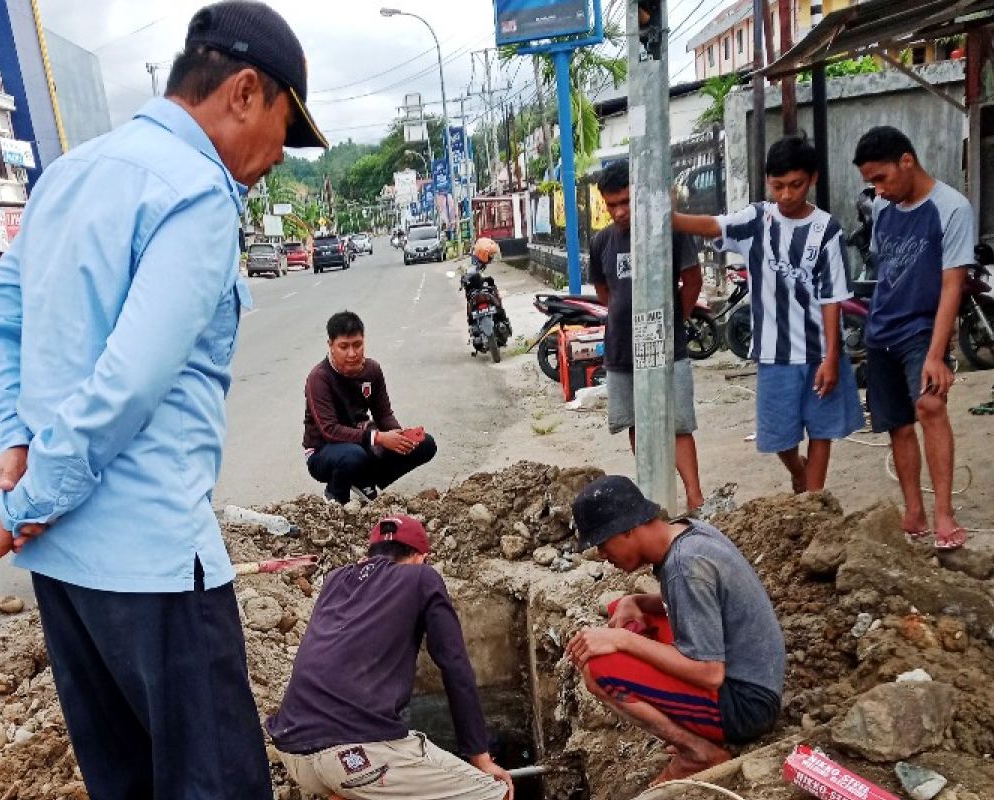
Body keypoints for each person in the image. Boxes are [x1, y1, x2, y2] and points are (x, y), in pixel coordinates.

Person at [0, 3, 328, 798]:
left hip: (68, 574)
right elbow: (126, 386)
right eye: (287, 130)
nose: (280, 157)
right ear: (245, 92)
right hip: (153, 571)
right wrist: (22, 504)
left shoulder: (72, 175)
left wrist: (12, 447)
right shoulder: (197, 195)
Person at [267, 515, 513, 800]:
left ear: (367, 556)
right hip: (355, 756)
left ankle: (350, 793)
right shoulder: (422, 577)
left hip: (294, 753)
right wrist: (480, 756)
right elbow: (455, 666)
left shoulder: (335, 580)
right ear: (421, 558)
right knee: (495, 794)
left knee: (385, 767)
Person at [673, 135, 864, 493]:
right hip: (775, 354)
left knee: (822, 430)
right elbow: (714, 225)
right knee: (778, 436)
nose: (787, 195)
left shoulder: (827, 230)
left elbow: (832, 299)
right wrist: (670, 218)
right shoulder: (758, 219)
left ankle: (814, 498)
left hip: (819, 350)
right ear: (767, 182)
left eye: (796, 185)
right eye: (779, 186)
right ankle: (799, 472)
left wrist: (833, 356)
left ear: (813, 179)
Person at [565, 476, 785, 786]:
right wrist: (635, 600)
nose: (602, 554)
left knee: (599, 669)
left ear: (627, 529)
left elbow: (709, 673)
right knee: (625, 611)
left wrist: (623, 640)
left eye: (603, 543)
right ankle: (693, 726)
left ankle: (697, 752)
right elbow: (698, 604)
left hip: (746, 705)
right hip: (755, 678)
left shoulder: (685, 566)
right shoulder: (688, 533)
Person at [852, 126, 974, 550]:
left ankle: (944, 512)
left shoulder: (951, 208)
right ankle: (914, 510)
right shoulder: (885, 211)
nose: (878, 191)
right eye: (872, 183)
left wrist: (938, 354)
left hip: (922, 328)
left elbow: (952, 284)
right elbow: (888, 275)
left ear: (907, 161)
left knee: (930, 404)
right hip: (880, 329)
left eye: (881, 179)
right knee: (897, 425)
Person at [589, 160, 706, 514]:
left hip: (668, 348)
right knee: (635, 423)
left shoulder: (668, 231)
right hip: (622, 351)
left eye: (626, 201)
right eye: (612, 205)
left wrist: (674, 322)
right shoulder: (602, 241)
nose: (620, 211)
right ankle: (652, 494)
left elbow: (693, 282)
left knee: (678, 423)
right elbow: (604, 292)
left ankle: (695, 498)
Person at [304, 311, 437, 504]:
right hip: (323, 450)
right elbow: (329, 430)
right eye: (344, 347)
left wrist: (397, 434)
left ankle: (365, 481)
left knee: (425, 444)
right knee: (352, 456)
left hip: (362, 443)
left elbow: (383, 414)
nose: (352, 353)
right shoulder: (319, 378)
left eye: (357, 345)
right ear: (331, 346)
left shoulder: (372, 370)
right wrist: (380, 438)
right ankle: (335, 495)